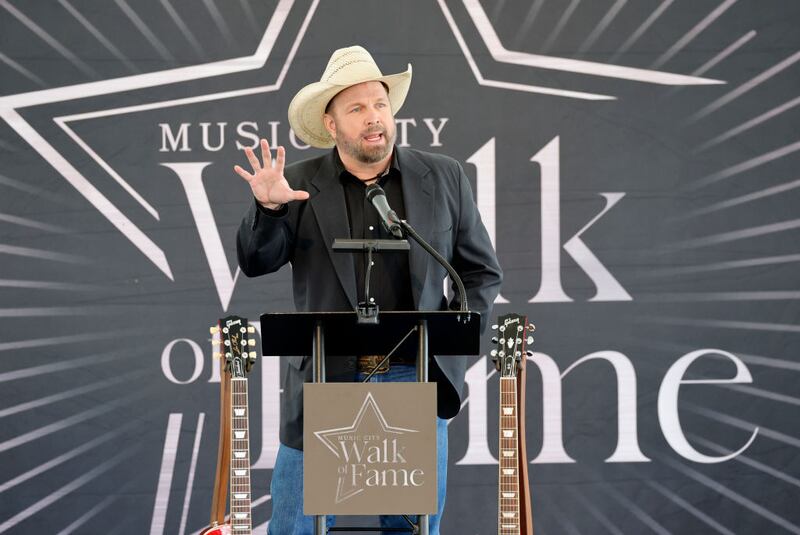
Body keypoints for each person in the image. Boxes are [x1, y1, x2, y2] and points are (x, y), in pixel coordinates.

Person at [235, 45, 502, 534]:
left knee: (412, 530)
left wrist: (452, 349)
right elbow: (256, 262)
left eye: (380, 104)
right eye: (356, 108)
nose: (374, 117)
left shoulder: (443, 178)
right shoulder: (297, 183)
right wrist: (270, 210)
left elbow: (480, 273)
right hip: (324, 381)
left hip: (413, 379)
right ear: (332, 124)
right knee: (296, 527)